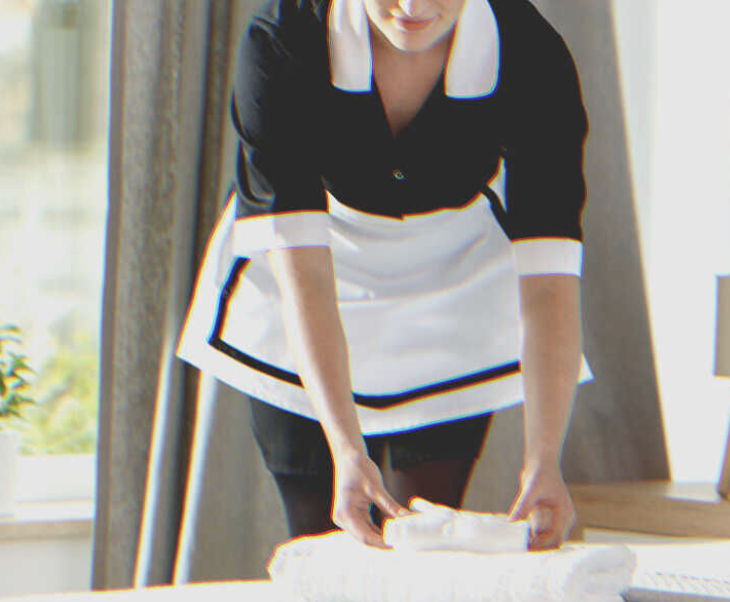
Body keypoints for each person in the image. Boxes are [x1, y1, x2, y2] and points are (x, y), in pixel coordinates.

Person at [177, 0, 589, 550]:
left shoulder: (530, 54)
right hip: (313, 269)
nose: (414, 7)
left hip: (452, 279)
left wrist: (544, 460)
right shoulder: (285, 40)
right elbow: (305, 273)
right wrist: (348, 449)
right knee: (322, 538)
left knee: (429, 540)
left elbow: (549, 279)